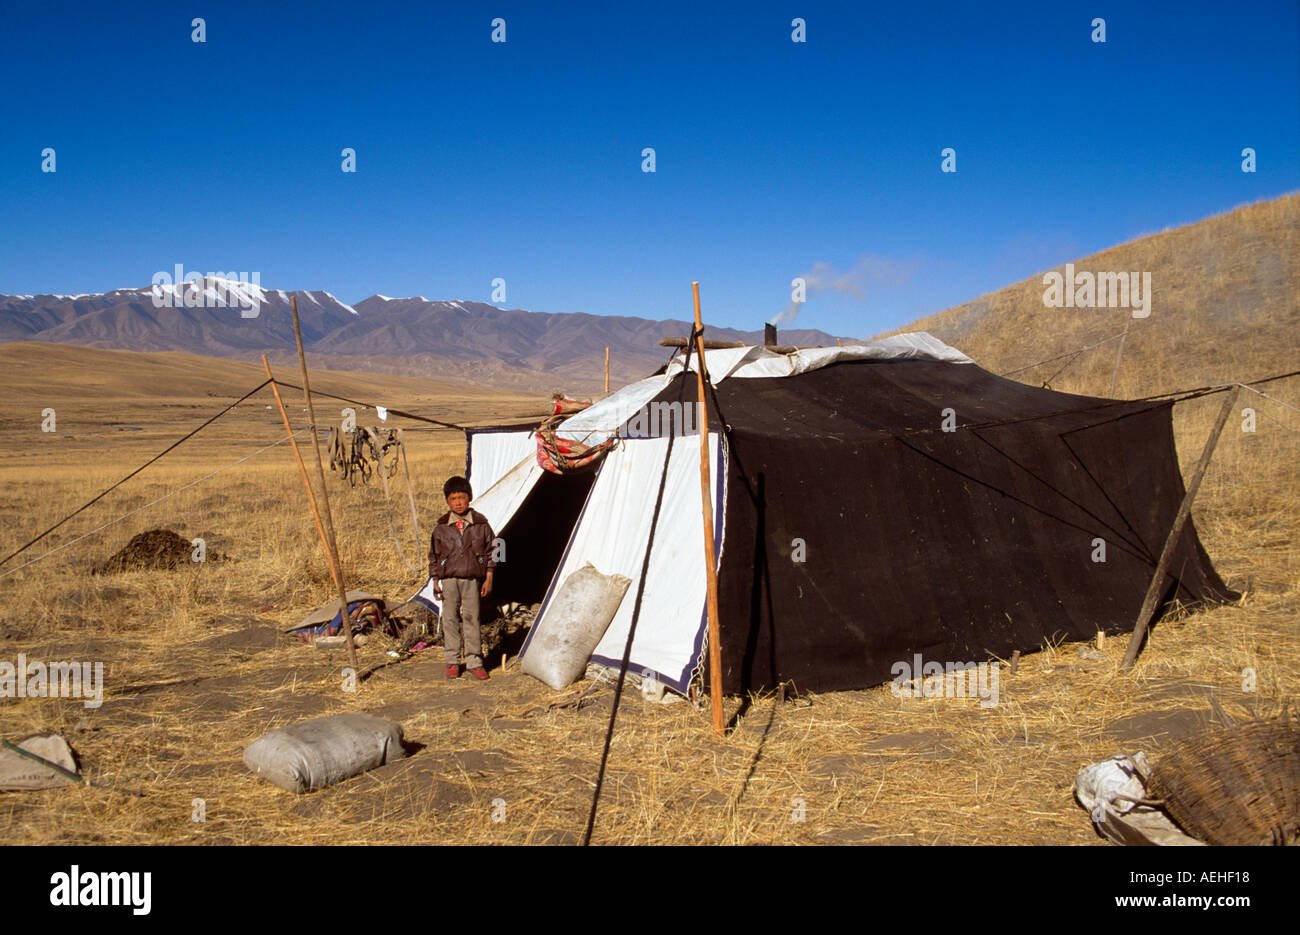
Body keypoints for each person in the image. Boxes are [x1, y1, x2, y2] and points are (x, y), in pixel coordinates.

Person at [429, 476, 497, 680]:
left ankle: (475, 661)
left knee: (472, 618)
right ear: (447, 501)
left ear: (470, 497)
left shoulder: (481, 524)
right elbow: (433, 555)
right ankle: (452, 661)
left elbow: (495, 549)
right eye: (453, 498)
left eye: (462, 497)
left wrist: (489, 576)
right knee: (449, 618)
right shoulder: (441, 527)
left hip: (472, 579)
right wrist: (435, 580)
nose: (458, 502)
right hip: (449, 580)